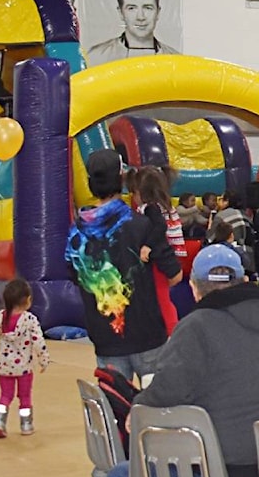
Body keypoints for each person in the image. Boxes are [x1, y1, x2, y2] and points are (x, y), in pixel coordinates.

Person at [106, 244, 259, 477]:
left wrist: (139, 403)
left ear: (194, 288)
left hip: (221, 473)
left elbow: (168, 390)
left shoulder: (196, 327)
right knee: (217, 466)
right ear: (242, 281)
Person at [65, 149, 182, 383]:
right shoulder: (143, 225)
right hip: (147, 334)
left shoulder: (76, 234)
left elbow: (76, 276)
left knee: (115, 411)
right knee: (154, 412)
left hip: (106, 337)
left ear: (90, 183)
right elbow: (175, 274)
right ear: (122, 180)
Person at [0, 279, 50, 438]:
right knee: (24, 397)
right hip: (24, 369)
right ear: (27, 300)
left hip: (5, 368)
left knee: (5, 395)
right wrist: (44, 359)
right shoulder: (30, 320)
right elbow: (39, 342)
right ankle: (26, 424)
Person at [133, 166, 186, 335]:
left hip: (160, 260)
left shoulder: (151, 208)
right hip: (166, 258)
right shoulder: (160, 206)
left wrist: (147, 246)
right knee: (159, 297)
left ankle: (171, 331)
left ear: (142, 192)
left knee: (161, 297)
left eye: (134, 192)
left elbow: (160, 226)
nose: (133, 197)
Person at [87, 0, 179, 66]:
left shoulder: (176, 61)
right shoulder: (95, 58)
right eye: (131, 8)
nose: (140, 17)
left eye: (147, 8)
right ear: (121, 13)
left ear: (158, 12)